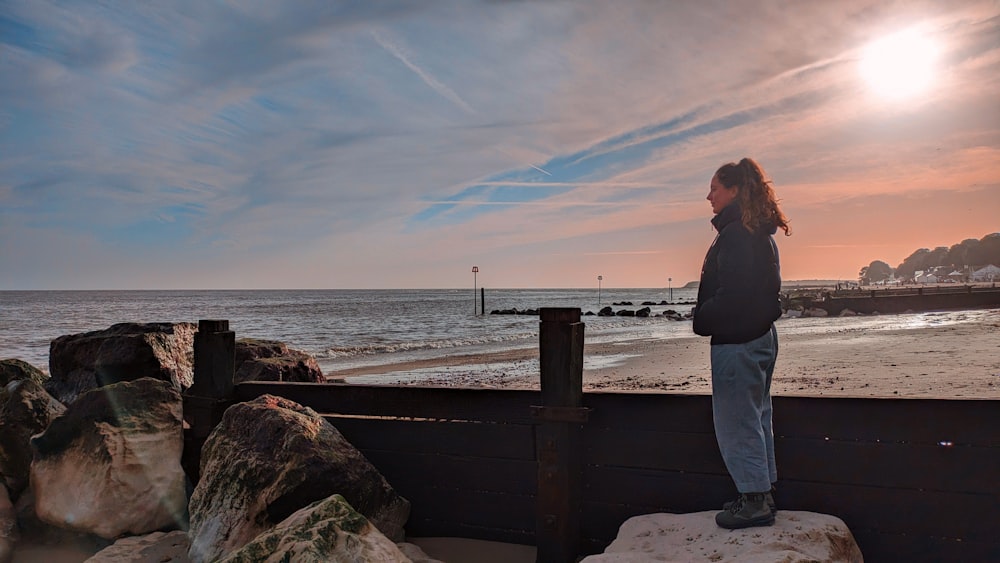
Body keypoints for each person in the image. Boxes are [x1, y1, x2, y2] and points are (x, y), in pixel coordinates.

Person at [692, 157, 790, 529]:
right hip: (759, 337)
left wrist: (702, 318)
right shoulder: (755, 232)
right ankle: (759, 492)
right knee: (756, 416)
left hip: (740, 341)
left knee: (737, 421)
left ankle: (754, 501)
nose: (709, 196)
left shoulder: (737, 234)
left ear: (733, 191)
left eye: (714, 188)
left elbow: (735, 295)